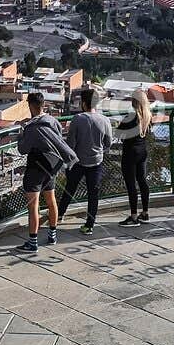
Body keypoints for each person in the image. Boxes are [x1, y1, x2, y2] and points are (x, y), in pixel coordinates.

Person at [16, 91, 77, 253]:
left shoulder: (31, 128)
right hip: (51, 166)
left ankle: (32, 241)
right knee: (51, 201)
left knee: (33, 206)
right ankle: (52, 235)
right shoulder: (53, 121)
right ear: (43, 105)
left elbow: (22, 149)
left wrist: (21, 132)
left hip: (35, 167)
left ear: (30, 106)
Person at [59, 86, 113, 235]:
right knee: (93, 194)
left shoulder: (78, 119)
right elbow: (108, 143)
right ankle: (89, 224)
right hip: (96, 162)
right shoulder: (105, 120)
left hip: (78, 161)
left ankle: (59, 214)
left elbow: (71, 144)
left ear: (83, 103)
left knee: (70, 189)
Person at [115, 88, 155, 227]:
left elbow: (118, 134)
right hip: (142, 151)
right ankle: (145, 212)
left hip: (130, 153)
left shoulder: (131, 117)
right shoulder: (148, 115)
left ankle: (133, 216)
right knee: (142, 181)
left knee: (131, 184)